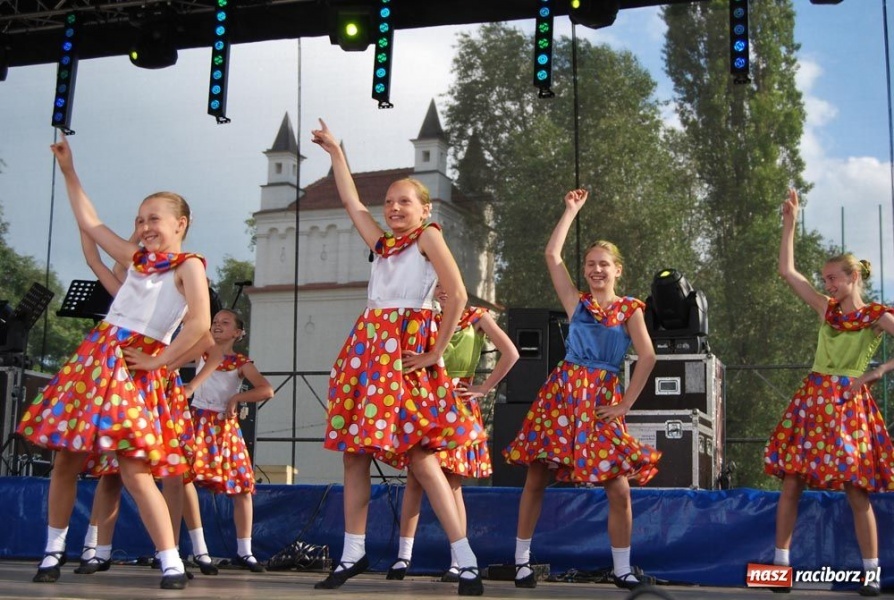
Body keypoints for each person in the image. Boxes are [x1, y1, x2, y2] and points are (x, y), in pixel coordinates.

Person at [17, 134, 211, 590]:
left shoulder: (189, 265)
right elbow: (91, 222)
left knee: (134, 466)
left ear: (180, 223)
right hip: (99, 357)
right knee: (67, 456)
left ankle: (171, 560)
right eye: (140, 219)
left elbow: (199, 324)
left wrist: (160, 361)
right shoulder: (138, 260)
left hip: (136, 365)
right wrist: (69, 171)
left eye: (154, 218)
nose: (145, 226)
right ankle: (53, 550)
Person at [310, 119, 485, 596]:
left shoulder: (429, 236)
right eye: (388, 202)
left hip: (406, 346)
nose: (393, 208)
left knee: (423, 457)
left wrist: (434, 352)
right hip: (369, 345)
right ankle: (353, 550)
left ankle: (464, 558)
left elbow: (457, 293)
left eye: (403, 201)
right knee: (354, 452)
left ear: (424, 209)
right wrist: (336, 154)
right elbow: (349, 202)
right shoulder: (383, 245)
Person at [503, 189, 661, 591]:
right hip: (563, 393)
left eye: (604, 264)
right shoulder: (577, 303)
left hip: (601, 400)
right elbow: (553, 256)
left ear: (618, 270)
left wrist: (625, 403)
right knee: (537, 476)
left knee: (618, 485)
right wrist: (570, 211)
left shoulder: (630, 310)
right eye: (591, 264)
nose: (596, 270)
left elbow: (647, 357)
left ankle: (622, 568)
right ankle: (521, 562)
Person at [764, 188, 894, 597]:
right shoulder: (826, 309)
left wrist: (879, 372)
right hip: (813, 397)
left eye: (834, 278)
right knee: (791, 482)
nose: (828, 285)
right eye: (824, 280)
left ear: (854, 277)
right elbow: (788, 272)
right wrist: (790, 223)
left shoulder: (877, 317)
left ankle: (871, 574)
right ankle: (779, 566)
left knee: (856, 489)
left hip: (847, 404)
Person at [387, 284, 519, 582]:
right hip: (428, 401)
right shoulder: (425, 320)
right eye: (437, 285)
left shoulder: (477, 316)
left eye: (448, 283)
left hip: (458, 403)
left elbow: (511, 352)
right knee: (414, 478)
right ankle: (403, 557)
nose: (442, 290)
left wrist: (484, 388)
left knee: (452, 481)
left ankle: (458, 561)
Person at [179, 308, 274, 573]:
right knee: (182, 481)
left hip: (224, 428)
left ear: (238, 332)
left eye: (225, 322)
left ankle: (245, 551)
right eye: (215, 321)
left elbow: (267, 389)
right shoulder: (203, 351)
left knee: (243, 486)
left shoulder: (242, 362)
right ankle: (177, 549)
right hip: (198, 422)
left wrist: (236, 398)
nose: (218, 325)